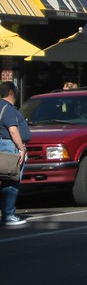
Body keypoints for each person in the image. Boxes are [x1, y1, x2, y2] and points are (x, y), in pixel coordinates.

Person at [0, 81, 30, 226]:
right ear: (11, 92)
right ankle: (8, 215)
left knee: (5, 180)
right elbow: (13, 130)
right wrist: (21, 148)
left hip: (3, 146)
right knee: (11, 181)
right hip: (10, 147)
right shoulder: (8, 109)